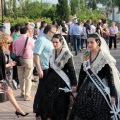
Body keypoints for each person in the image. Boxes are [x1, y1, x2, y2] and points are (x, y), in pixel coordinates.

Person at [69, 33, 120, 120]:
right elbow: (82, 75)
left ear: (98, 43)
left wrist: (113, 95)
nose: (89, 45)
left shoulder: (104, 57)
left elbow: (110, 77)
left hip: (101, 88)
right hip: (86, 88)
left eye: (92, 42)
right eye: (88, 42)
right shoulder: (86, 56)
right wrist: (77, 90)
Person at [36, 34, 77, 120]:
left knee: (60, 104)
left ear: (61, 42)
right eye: (53, 42)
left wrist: (74, 84)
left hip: (62, 82)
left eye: (56, 42)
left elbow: (71, 70)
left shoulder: (66, 54)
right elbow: (51, 67)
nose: (54, 44)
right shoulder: (52, 52)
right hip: (51, 80)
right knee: (48, 101)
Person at [0, 32, 29, 118]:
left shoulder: (1, 51)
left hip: (1, 77)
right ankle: (19, 110)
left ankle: (18, 110)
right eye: (8, 43)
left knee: (10, 92)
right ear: (3, 42)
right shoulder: (0, 52)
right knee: (9, 92)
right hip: (1, 78)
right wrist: (10, 64)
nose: (9, 45)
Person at [33, 25, 57, 114]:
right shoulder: (41, 40)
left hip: (49, 67)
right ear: (49, 32)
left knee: (45, 88)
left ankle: (42, 107)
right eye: (54, 32)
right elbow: (36, 55)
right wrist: (39, 69)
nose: (55, 34)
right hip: (44, 68)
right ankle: (37, 107)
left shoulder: (48, 40)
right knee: (42, 88)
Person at [13, 27, 34, 101]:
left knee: (21, 77)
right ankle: (27, 95)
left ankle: (22, 93)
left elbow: (14, 51)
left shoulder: (16, 40)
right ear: (27, 31)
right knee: (28, 78)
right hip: (28, 59)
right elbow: (33, 48)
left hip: (19, 60)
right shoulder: (30, 39)